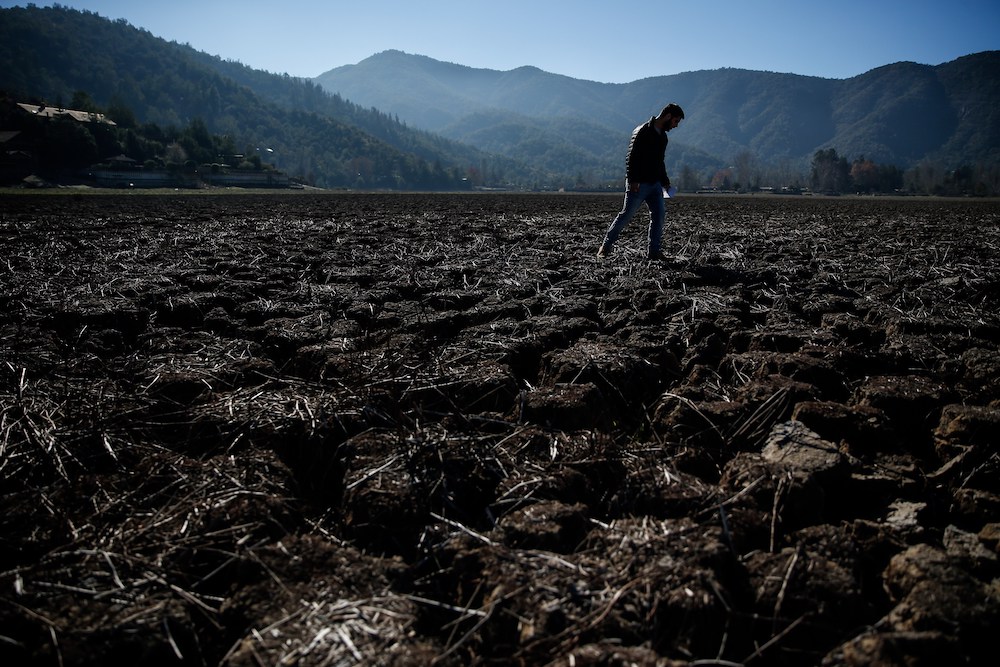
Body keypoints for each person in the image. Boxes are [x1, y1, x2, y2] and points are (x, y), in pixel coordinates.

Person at [597, 103, 684, 260]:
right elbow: (631, 157)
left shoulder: (663, 137)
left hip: (655, 185)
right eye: (675, 121)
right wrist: (633, 180)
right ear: (668, 116)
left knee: (659, 216)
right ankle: (605, 247)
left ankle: (654, 252)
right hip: (639, 184)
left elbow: (660, 161)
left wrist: (665, 182)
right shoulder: (642, 131)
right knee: (626, 215)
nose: (676, 126)